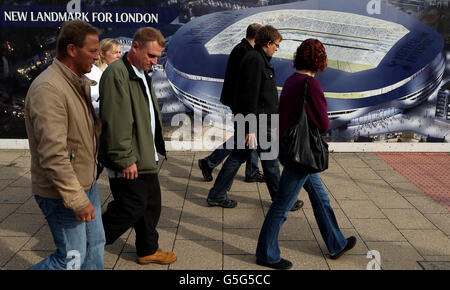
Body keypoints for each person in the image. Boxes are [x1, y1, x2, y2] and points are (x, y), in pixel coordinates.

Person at [255, 39, 356, 270]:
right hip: (303, 153)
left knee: (321, 198)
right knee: (281, 205)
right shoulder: (312, 85)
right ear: (320, 61)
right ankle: (266, 254)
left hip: (293, 148)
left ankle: (336, 242)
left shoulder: (291, 81)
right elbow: (322, 124)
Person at [24, 20, 105, 270]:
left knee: (95, 246)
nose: (98, 55)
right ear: (72, 50)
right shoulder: (49, 89)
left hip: (84, 184)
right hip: (62, 193)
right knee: (70, 260)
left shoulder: (74, 81)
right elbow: (53, 156)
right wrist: (77, 200)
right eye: (92, 50)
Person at [99, 27, 176, 265]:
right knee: (129, 207)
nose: (154, 62)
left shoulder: (141, 71)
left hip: (145, 155)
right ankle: (87, 243)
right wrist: (125, 158)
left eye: (157, 57)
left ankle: (147, 249)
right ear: (135, 47)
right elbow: (115, 120)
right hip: (130, 158)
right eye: (151, 56)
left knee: (151, 205)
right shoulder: (117, 73)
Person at [206, 25, 303, 212]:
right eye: (276, 45)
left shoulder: (257, 58)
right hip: (258, 122)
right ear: (268, 43)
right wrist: (250, 128)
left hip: (258, 121)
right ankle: (282, 200)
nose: (277, 48)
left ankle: (217, 194)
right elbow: (249, 95)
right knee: (270, 161)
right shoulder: (255, 60)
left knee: (241, 158)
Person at [198, 23, 263, 183]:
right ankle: (209, 162)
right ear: (257, 37)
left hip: (241, 102)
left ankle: (252, 170)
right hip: (242, 103)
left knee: (251, 136)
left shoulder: (242, 49)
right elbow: (246, 82)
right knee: (241, 138)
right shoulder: (246, 52)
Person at [85, 38, 121, 114]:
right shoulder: (92, 72)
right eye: (115, 52)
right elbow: (89, 102)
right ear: (102, 54)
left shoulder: (108, 70)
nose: (119, 56)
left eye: (119, 52)